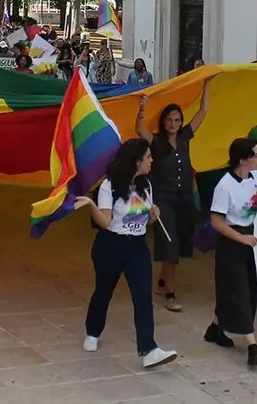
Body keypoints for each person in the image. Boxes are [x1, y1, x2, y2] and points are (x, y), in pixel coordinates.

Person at [74, 139, 178, 369]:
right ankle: (93, 331)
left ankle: (148, 349)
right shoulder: (109, 186)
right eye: (148, 157)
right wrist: (91, 206)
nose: (152, 161)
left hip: (137, 246)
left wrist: (151, 216)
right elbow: (105, 222)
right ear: (137, 160)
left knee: (143, 298)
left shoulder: (146, 186)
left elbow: (143, 222)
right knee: (104, 291)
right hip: (111, 245)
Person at [135, 77, 213, 312]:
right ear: (163, 121)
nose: (173, 123)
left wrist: (207, 82)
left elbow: (203, 110)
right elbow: (139, 129)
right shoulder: (156, 141)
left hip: (184, 199)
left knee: (178, 244)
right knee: (169, 245)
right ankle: (170, 293)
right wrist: (142, 105)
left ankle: (162, 282)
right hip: (164, 199)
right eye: (169, 119)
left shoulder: (185, 137)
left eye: (177, 119)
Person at [206, 138, 257, 369]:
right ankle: (252, 347)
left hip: (251, 238)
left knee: (246, 288)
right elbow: (216, 221)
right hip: (233, 241)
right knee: (239, 291)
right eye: (255, 155)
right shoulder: (225, 186)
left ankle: (215, 328)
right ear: (242, 160)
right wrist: (241, 238)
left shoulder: (256, 177)